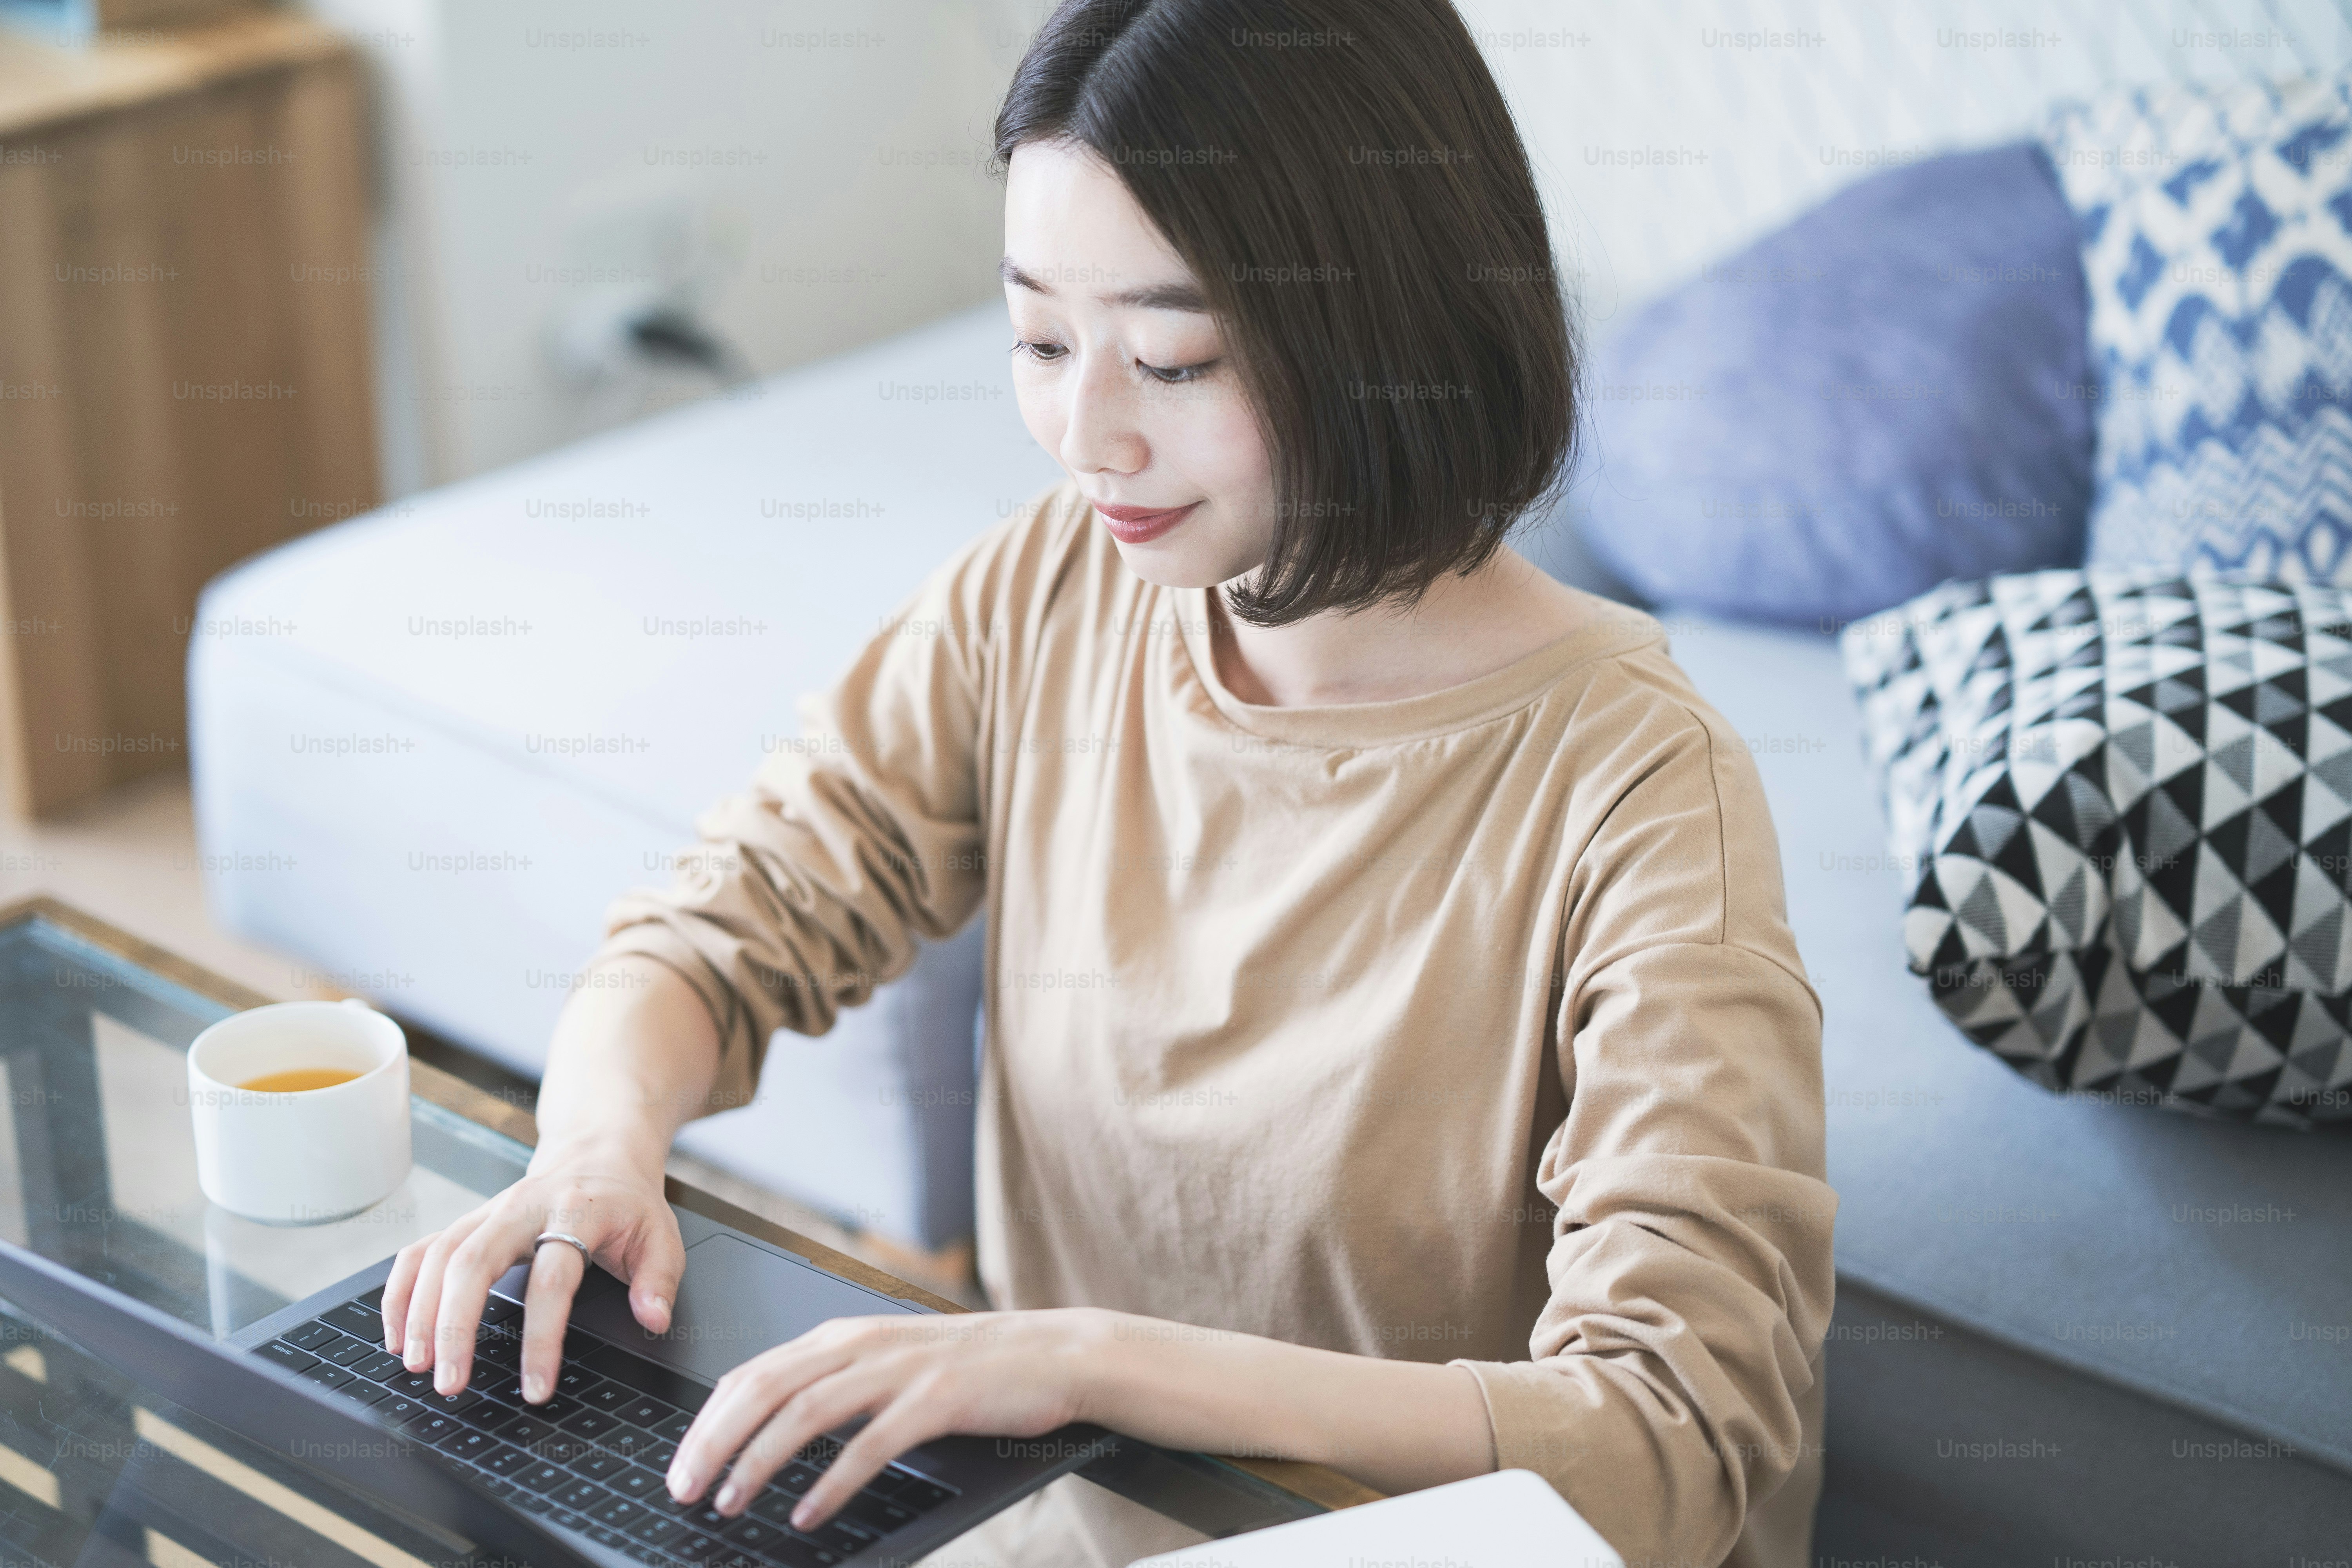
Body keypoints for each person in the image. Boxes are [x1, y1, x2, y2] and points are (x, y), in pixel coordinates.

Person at [377, 2, 1837, 1564]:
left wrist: (1080, 1359)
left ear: (1390, 332)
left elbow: (1670, 1435)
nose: (1087, 436)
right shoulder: (1050, 594)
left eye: (1172, 357)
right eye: (1041, 340)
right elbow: (727, 914)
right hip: (1064, 1502)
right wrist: (595, 1146)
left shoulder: (1637, 785)